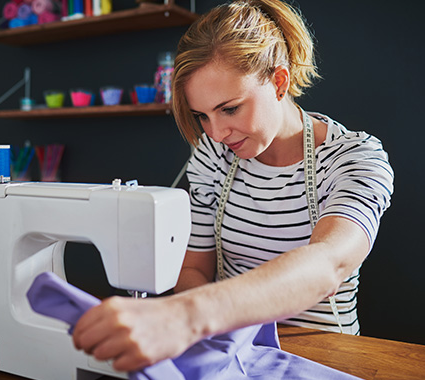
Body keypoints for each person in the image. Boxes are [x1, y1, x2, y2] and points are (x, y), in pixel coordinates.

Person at [72, 0, 394, 373]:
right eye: (202, 116)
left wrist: (187, 316)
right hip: (229, 348)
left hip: (322, 354)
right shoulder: (213, 155)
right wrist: (215, 338)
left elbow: (328, 264)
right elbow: (193, 271)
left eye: (229, 109)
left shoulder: (354, 157)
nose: (216, 133)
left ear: (279, 81)